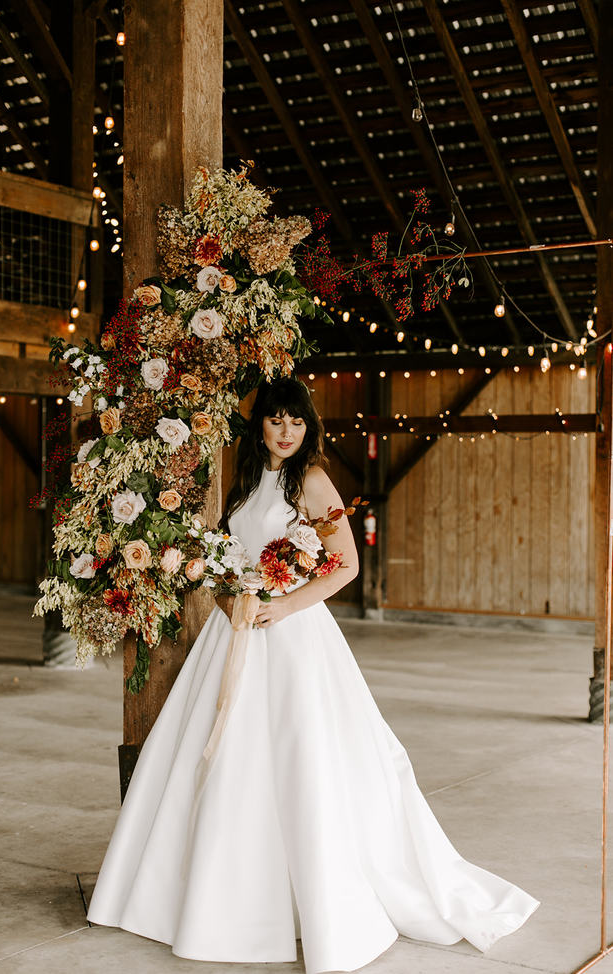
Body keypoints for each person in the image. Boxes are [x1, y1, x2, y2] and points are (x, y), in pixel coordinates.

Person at [87, 376, 539, 974]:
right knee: (218, 754)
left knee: (300, 757)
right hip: (236, 630)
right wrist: (231, 597)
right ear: (261, 426)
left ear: (308, 428)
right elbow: (230, 560)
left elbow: (346, 566)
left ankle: (311, 899)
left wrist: (283, 605)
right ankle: (206, 895)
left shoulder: (313, 481)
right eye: (276, 420)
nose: (286, 431)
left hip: (293, 632)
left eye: (296, 422)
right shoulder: (247, 483)